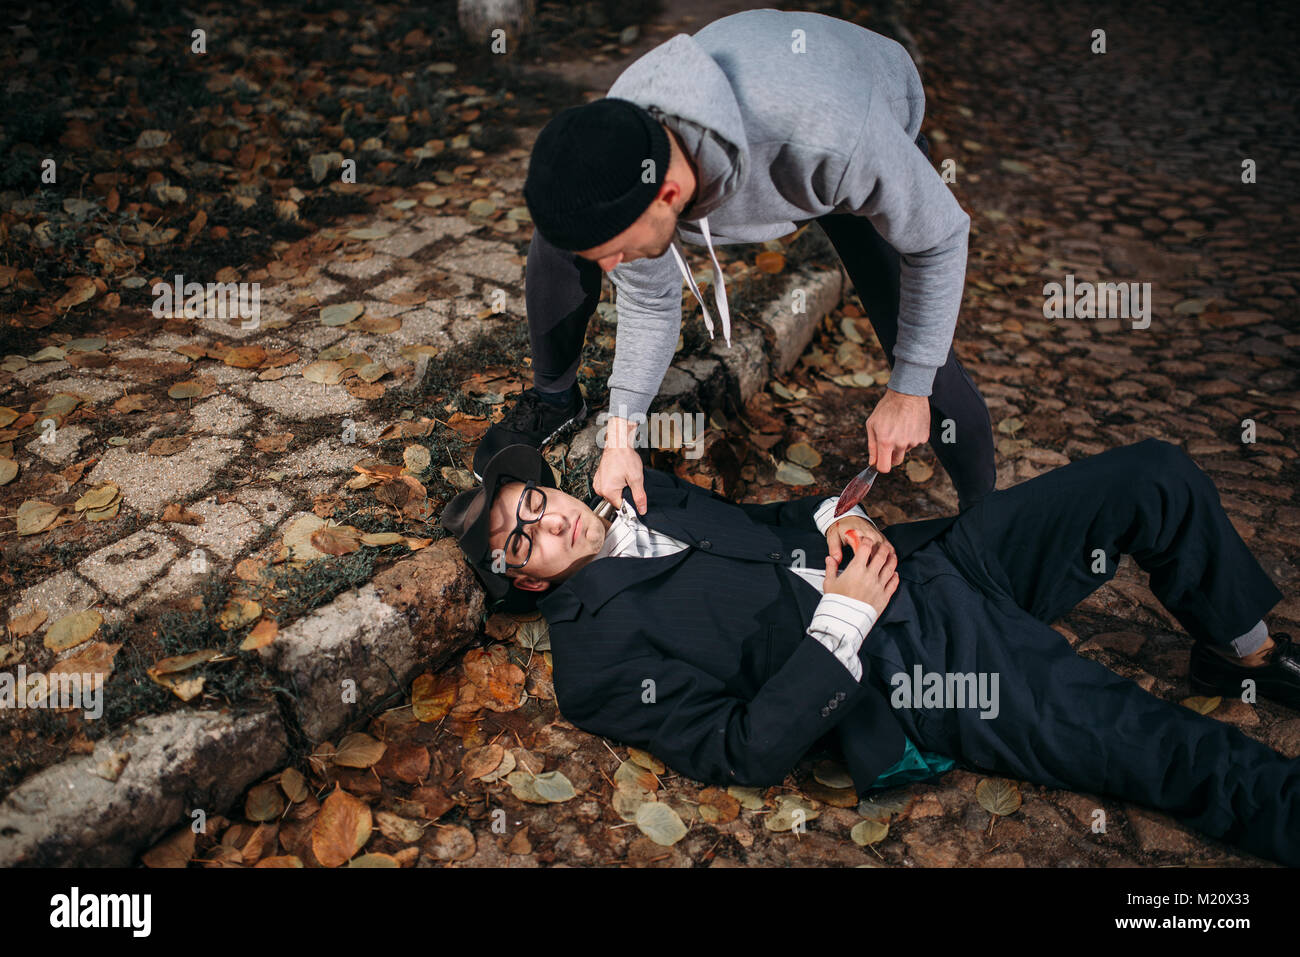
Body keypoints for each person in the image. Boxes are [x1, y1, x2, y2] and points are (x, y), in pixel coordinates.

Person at [442, 439, 1300, 866]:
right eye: (525, 541)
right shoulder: (595, 666)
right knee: (1145, 736)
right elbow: (741, 749)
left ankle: (1241, 653)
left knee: (1152, 474)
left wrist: (832, 515)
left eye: (537, 500)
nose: (549, 521)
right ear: (532, 583)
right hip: (912, 664)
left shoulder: (634, 492)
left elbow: (765, 528)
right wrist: (840, 624)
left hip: (937, 558)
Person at [473, 8, 995, 515]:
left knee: (926, 360)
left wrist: (908, 391)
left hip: (852, 112)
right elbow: (651, 304)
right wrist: (619, 438)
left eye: (616, 250)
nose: (609, 268)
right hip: (764, 124)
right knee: (558, 242)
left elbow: (942, 237)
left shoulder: (834, 139)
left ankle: (986, 518)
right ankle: (554, 400)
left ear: (669, 194)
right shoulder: (625, 152)